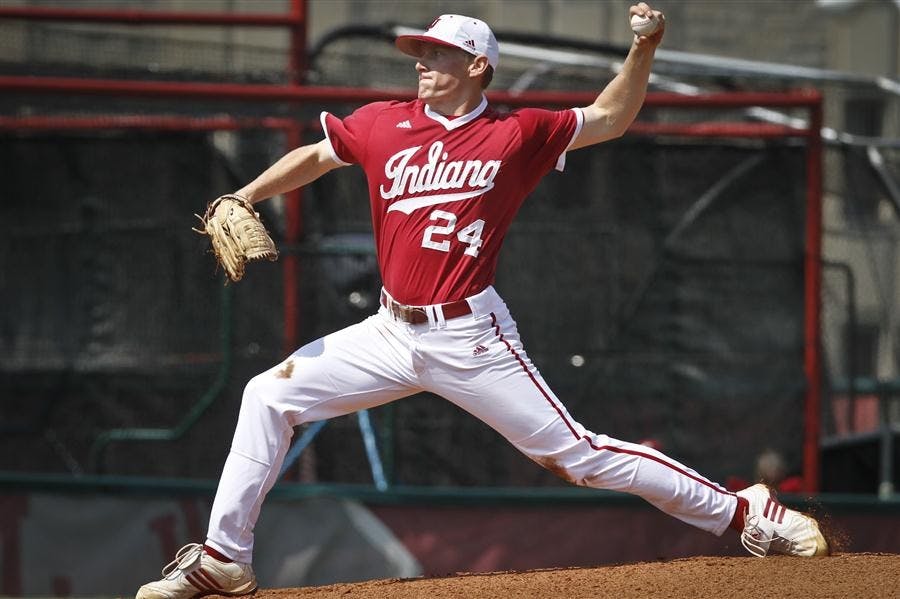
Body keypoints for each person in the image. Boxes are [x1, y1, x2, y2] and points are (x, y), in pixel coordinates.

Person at [137, 4, 829, 597]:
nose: (421, 62)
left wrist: (643, 47)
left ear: (477, 66)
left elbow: (613, 116)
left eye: (438, 53)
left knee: (578, 456)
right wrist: (248, 194)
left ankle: (746, 514)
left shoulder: (515, 134)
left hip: (471, 336)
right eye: (420, 51)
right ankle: (226, 560)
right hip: (388, 330)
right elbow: (320, 154)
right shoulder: (384, 124)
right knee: (267, 394)